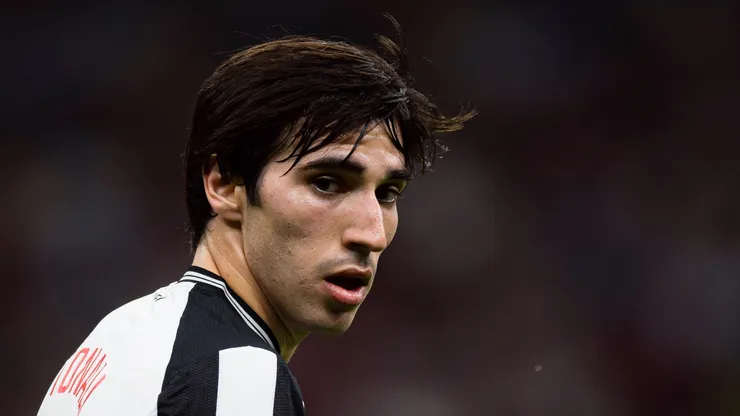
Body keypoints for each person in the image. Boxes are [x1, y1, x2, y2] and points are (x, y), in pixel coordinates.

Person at [37, 15, 475, 416]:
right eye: (326, 183)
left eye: (387, 193)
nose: (372, 234)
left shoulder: (114, 342)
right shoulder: (238, 374)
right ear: (225, 185)